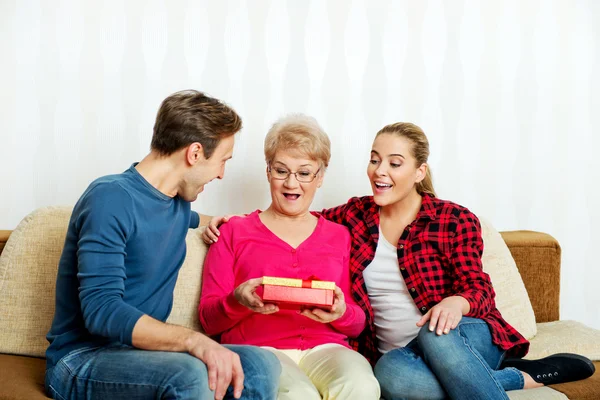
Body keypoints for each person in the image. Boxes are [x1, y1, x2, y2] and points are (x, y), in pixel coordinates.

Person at [203, 122, 595, 400]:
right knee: (393, 378)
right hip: (399, 356)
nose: (380, 171)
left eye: (394, 162)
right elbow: (294, 219)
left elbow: (479, 289)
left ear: (418, 171)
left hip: (460, 334)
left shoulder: (452, 218)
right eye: (375, 160)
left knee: (434, 334)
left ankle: (488, 374)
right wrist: (217, 222)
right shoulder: (350, 218)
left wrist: (455, 302)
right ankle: (513, 379)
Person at [45, 90, 281, 400]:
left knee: (261, 363)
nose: (222, 174)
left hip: (141, 356)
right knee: (188, 376)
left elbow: (188, 219)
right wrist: (194, 341)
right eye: (222, 161)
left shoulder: (177, 203)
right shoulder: (110, 198)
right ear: (194, 153)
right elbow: (101, 310)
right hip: (81, 359)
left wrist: (229, 223)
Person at [198, 114, 380, 400]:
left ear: (320, 177)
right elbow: (208, 320)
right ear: (268, 172)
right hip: (261, 350)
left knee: (363, 386)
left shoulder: (340, 235)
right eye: (281, 171)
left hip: (327, 349)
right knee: (298, 396)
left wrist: (341, 312)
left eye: (304, 173)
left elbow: (358, 324)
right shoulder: (232, 231)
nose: (291, 183)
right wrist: (238, 300)